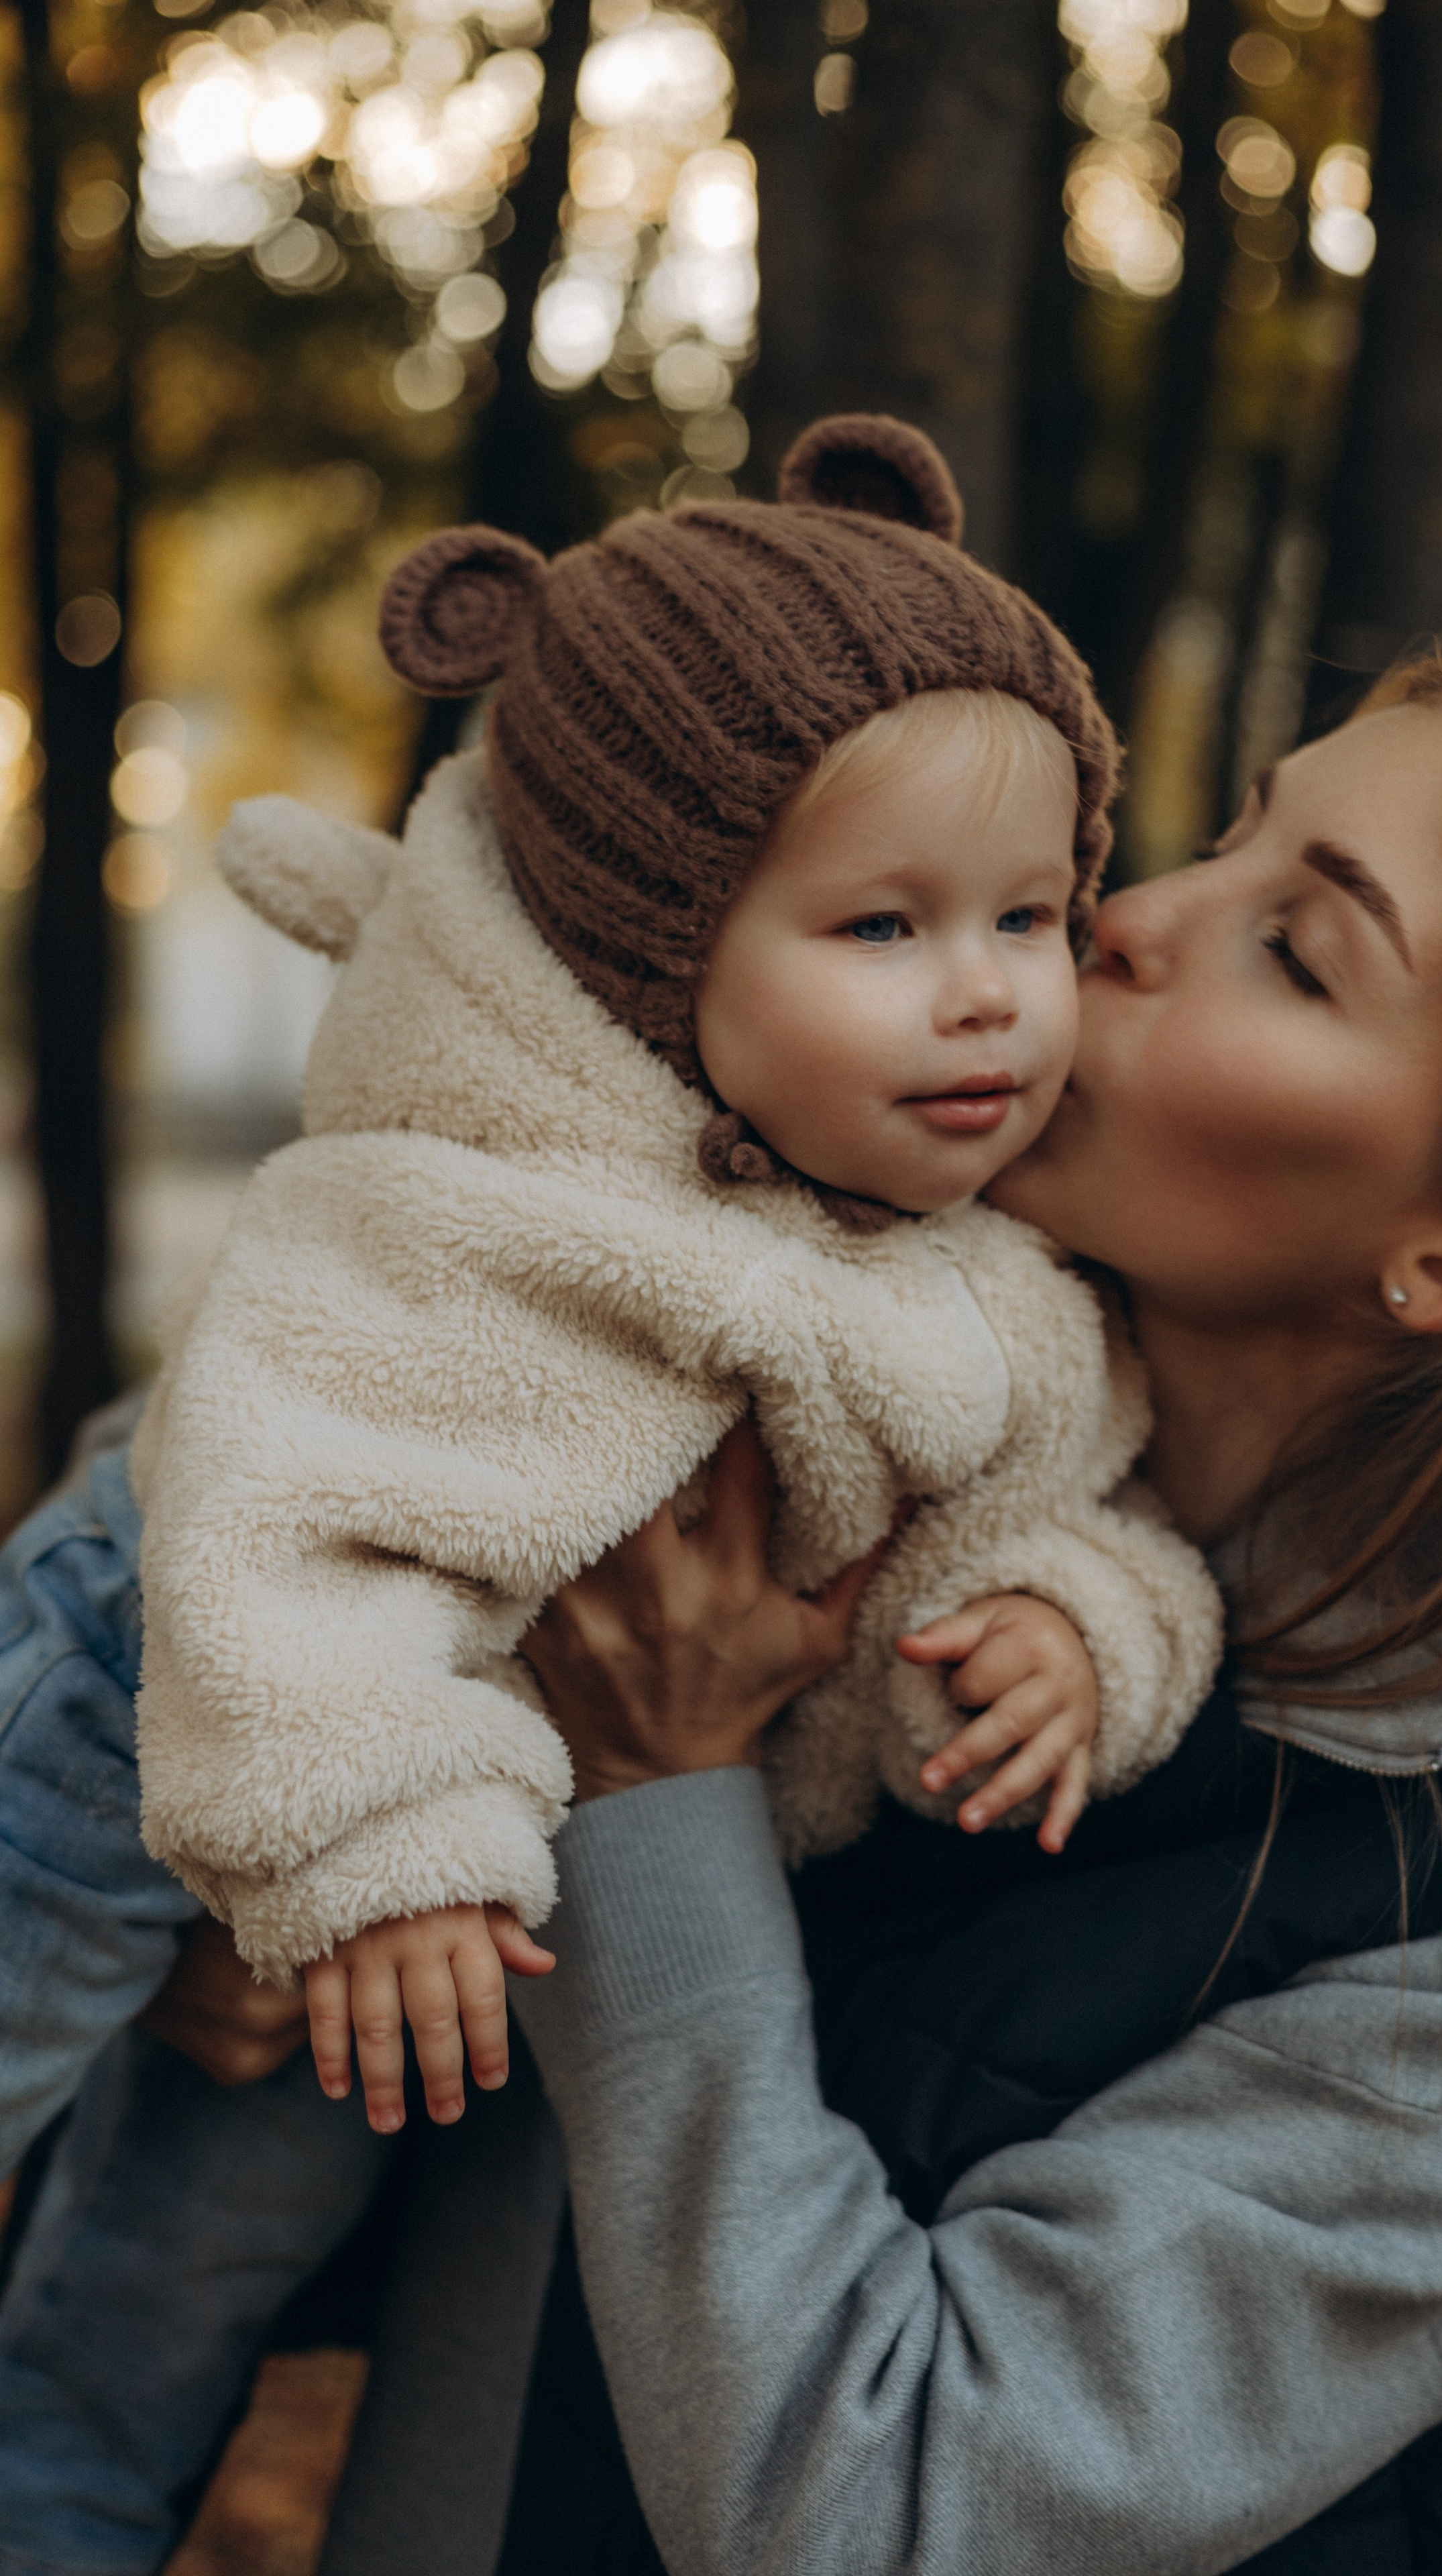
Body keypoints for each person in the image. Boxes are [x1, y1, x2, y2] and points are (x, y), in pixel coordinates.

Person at [304, 647, 1442, 2573]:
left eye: (1298, 949)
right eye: (1225, 841)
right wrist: (351, 1880)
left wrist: (656, 1797)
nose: (1125, 918)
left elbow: (887, 2508)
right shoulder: (860, 1430)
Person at [0, 415, 1223, 2575]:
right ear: (667, 952)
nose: (991, 991)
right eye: (880, 923)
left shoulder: (996, 1269)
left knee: (161, 2307)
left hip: (454, 1877)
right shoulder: (501, 1205)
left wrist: (1084, 1625)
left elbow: (1078, 1492)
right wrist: (377, 1837)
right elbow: (288, 1482)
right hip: (186, 1703)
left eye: (1034, 913)